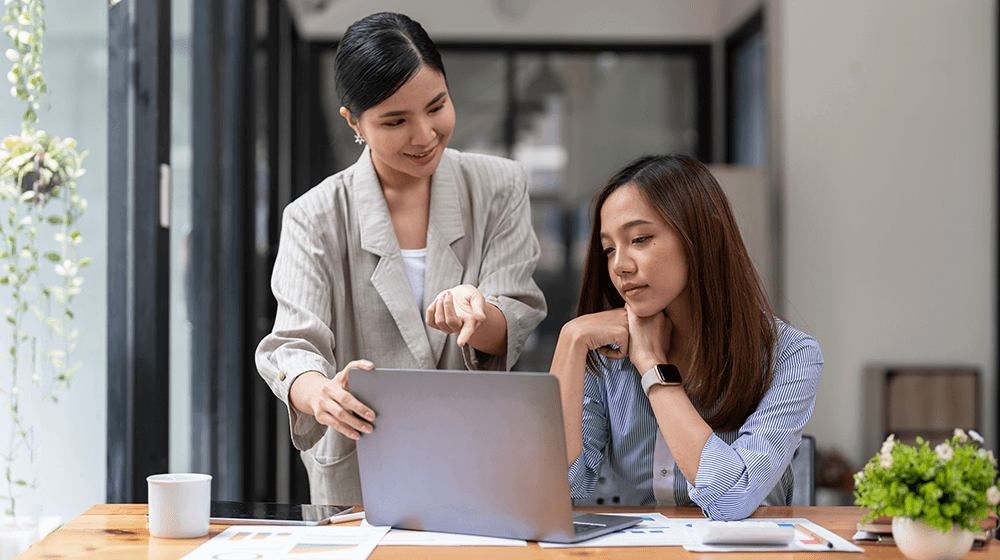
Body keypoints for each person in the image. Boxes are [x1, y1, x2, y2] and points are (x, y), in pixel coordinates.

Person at [255, 12, 546, 505]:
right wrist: (319, 391)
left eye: (437, 106)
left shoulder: (500, 187)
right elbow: (292, 344)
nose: (425, 134)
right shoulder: (314, 216)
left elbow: (513, 315)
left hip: (474, 460)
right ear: (354, 122)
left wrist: (480, 310)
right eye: (395, 121)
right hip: (359, 472)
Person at [551, 154, 822, 521]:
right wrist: (570, 340)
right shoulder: (605, 352)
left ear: (701, 235)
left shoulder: (790, 355)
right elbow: (558, 491)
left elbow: (732, 499)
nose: (620, 266)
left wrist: (653, 368)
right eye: (609, 249)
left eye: (640, 239)